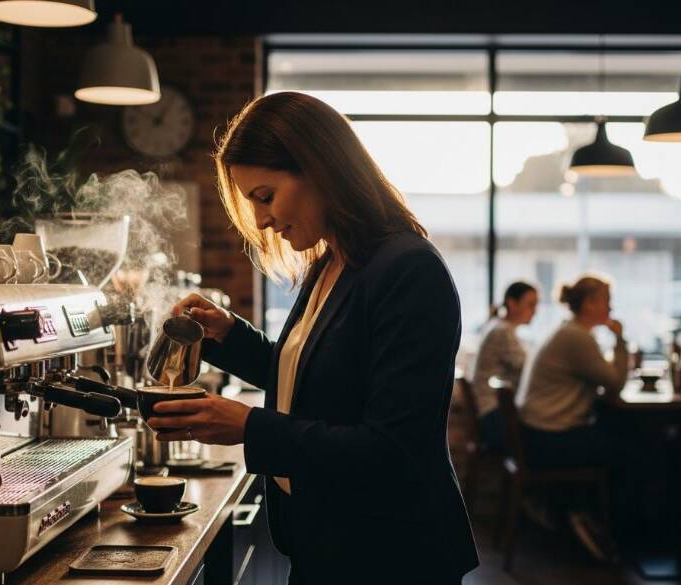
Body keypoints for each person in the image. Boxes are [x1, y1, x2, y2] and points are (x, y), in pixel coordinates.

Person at [146, 92, 478, 584]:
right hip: (329, 542)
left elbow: (392, 450)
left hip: (390, 555)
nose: (260, 220)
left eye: (264, 196)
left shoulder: (409, 269)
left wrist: (250, 427)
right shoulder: (333, 262)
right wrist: (230, 335)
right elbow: (318, 380)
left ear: (320, 170)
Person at [515, 274, 630, 561]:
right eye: (607, 301)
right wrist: (619, 339)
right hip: (548, 439)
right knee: (632, 451)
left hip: (536, 433)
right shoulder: (577, 337)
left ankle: (580, 512)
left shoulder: (570, 332)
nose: (611, 308)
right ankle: (611, 531)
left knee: (618, 438)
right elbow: (615, 382)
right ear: (590, 304)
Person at [466, 281, 538, 452]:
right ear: (512, 304)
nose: (535, 311)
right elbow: (529, 371)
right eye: (531, 304)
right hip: (492, 416)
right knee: (542, 435)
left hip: (486, 412)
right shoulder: (503, 332)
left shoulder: (499, 327)